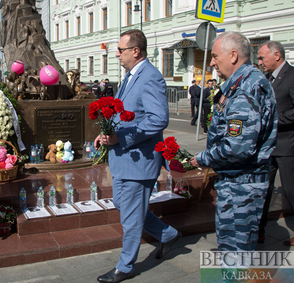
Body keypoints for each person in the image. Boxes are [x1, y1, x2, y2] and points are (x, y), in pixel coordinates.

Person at [95, 29, 181, 283]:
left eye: (121, 50)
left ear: (136, 51)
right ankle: (167, 234)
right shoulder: (131, 76)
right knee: (124, 205)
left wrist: (122, 137)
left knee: (131, 214)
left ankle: (126, 266)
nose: (117, 54)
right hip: (124, 159)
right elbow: (125, 114)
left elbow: (158, 119)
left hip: (139, 159)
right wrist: (106, 134)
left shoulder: (150, 77)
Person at [189, 31, 277, 252]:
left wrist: (202, 158)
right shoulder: (243, 82)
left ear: (234, 55)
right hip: (239, 183)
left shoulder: (245, 88)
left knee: (236, 255)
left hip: (242, 188)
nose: (212, 62)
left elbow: (237, 147)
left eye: (215, 56)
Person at [257, 41, 294, 246]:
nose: (260, 62)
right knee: (263, 188)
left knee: (290, 190)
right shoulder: (266, 78)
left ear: (277, 55)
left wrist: (275, 119)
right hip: (268, 147)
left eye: (262, 57)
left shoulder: (292, 76)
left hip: (287, 146)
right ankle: (260, 230)